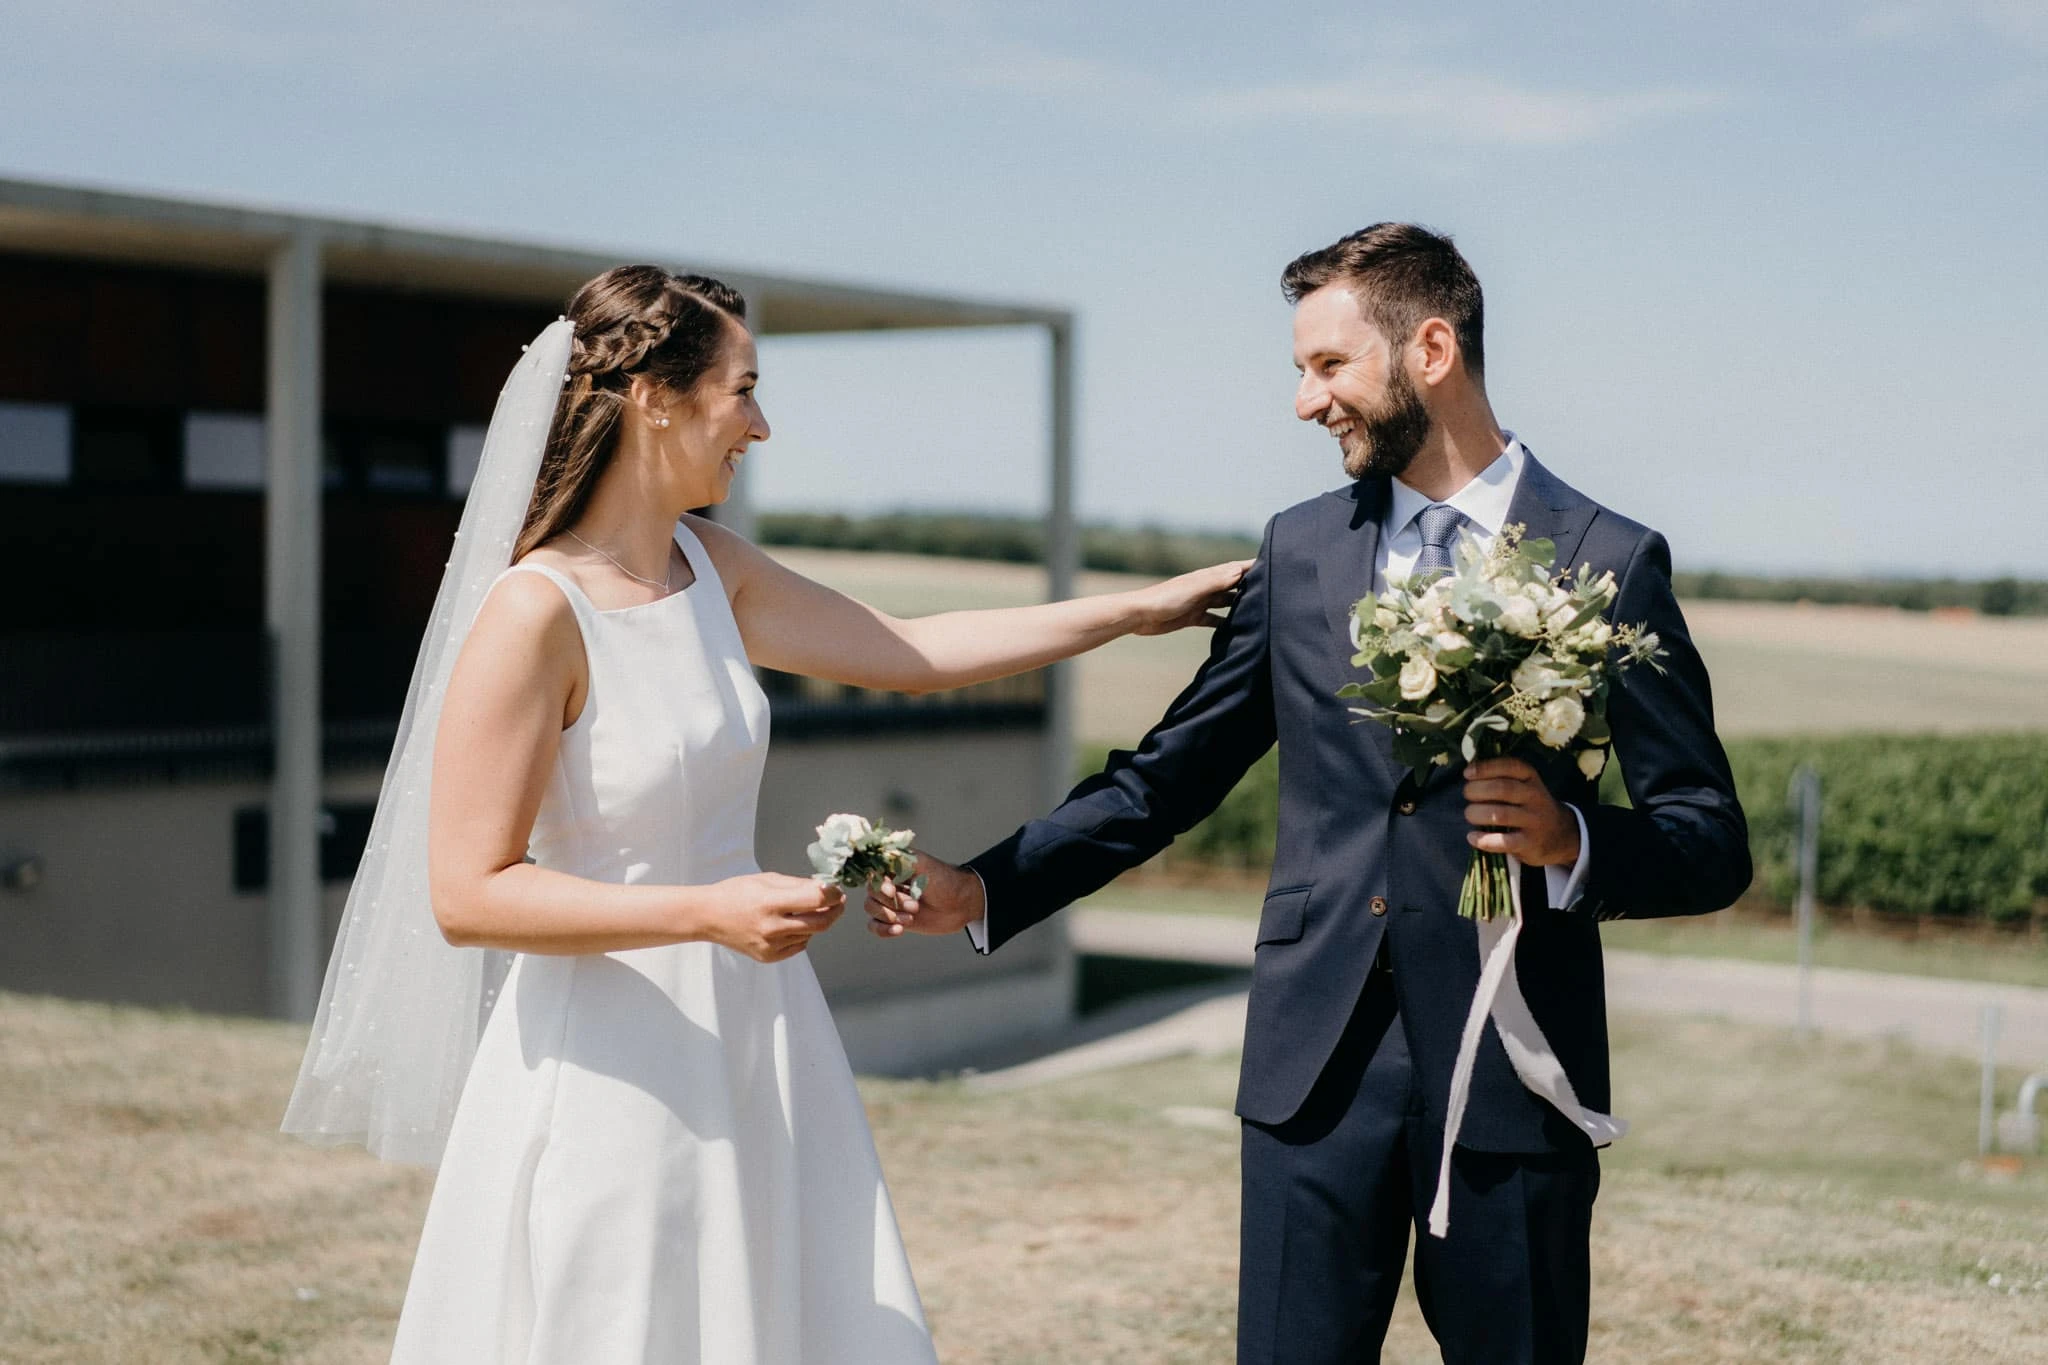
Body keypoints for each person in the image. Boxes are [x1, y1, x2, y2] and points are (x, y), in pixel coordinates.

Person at [280, 264, 1247, 1363]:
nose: (762, 425)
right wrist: (706, 912)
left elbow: (913, 652)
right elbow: (468, 893)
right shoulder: (532, 614)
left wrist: (1139, 609)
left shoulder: (709, 565)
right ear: (653, 396)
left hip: (756, 1028)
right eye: (742, 390)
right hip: (612, 1049)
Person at [871, 224, 1750, 1364]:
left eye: (1327, 366)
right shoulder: (1296, 553)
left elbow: (1706, 837)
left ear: (1429, 348)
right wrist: (983, 887)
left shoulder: (1606, 559)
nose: (1304, 402)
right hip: (1309, 1077)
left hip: (1511, 1075)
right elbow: (1165, 776)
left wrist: (1570, 837)